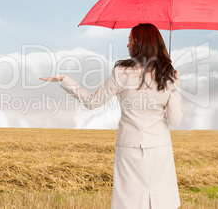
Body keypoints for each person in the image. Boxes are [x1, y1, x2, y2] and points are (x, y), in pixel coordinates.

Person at [39, 23, 183, 209]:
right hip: (159, 148)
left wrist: (65, 80)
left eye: (130, 40)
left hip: (128, 148)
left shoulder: (121, 73)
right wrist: (175, 86)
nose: (127, 45)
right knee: (161, 202)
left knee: (129, 202)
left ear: (139, 44)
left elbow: (92, 102)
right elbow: (175, 120)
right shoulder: (168, 76)